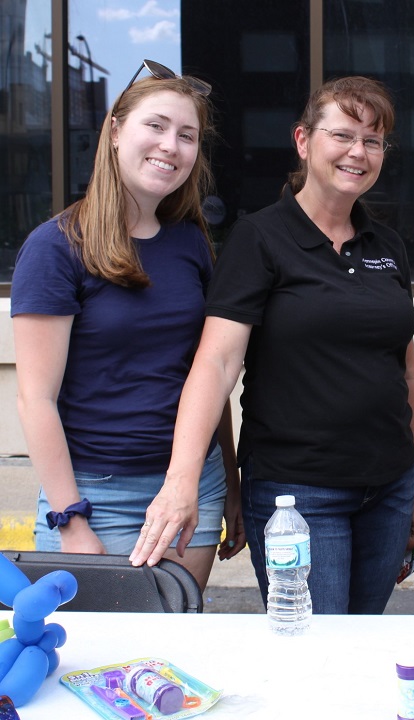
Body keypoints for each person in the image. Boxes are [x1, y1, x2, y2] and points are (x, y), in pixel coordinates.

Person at [129, 75, 414, 614]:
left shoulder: (386, 244)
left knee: (363, 641)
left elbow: (406, 371)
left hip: (387, 489)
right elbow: (216, 361)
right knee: (314, 653)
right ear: (303, 141)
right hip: (300, 495)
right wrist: (181, 481)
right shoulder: (260, 237)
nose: (358, 153)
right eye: (342, 135)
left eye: (373, 141)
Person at [11, 60, 244, 591]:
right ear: (115, 132)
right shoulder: (55, 247)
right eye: (156, 125)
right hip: (94, 494)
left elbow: (208, 374)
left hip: (190, 485)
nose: (171, 145)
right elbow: (35, 400)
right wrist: (70, 521)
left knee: (173, 649)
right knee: (93, 664)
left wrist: (229, 483)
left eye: (187, 136)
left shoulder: (190, 242)